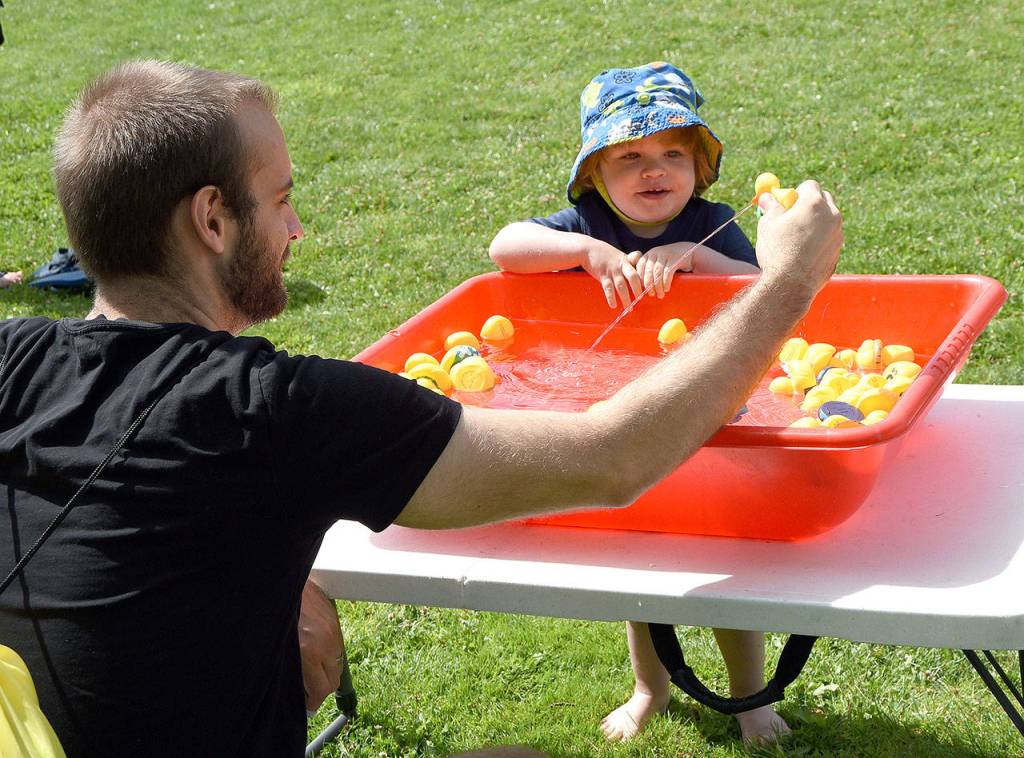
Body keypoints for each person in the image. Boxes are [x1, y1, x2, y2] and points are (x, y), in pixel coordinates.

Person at [0, 60, 841, 757]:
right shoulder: (284, 411)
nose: (295, 231)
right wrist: (791, 282)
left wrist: (298, 580)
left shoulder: (11, 360)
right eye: (282, 199)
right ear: (213, 220)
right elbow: (611, 458)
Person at [489, 62, 785, 744]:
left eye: (673, 154)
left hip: (711, 406)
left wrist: (692, 255)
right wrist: (586, 252)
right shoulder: (586, 225)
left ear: (699, 165)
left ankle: (751, 702)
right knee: (640, 558)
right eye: (630, 157)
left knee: (723, 557)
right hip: (619, 411)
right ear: (593, 172)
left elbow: (761, 286)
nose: (655, 170)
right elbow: (505, 245)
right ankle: (649, 689)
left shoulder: (710, 226)